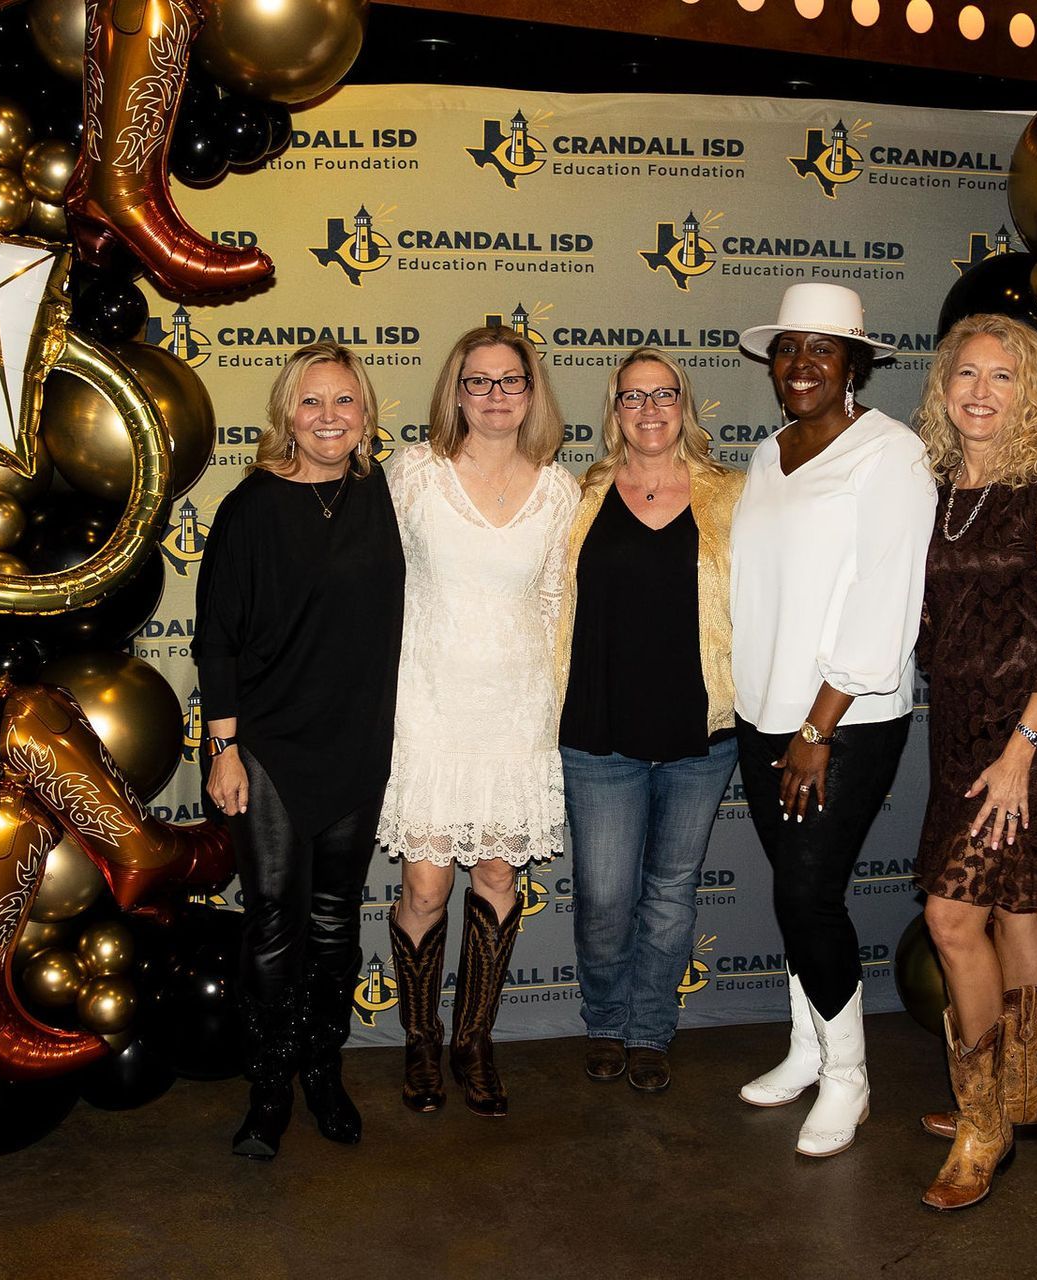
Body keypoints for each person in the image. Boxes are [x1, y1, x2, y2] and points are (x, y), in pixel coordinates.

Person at [729, 284, 938, 1157]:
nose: (801, 363)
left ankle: (848, 1077)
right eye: (788, 348)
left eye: (823, 348)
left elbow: (885, 598)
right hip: (762, 712)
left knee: (808, 894)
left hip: (841, 720)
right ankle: (808, 1049)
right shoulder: (766, 454)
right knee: (795, 891)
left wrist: (817, 729)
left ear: (855, 364)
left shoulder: (891, 454)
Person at [908, 313, 1037, 1211]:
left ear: (1031, 392)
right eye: (967, 374)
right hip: (957, 722)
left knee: (952, 918)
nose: (981, 392)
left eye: (1002, 376)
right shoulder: (941, 483)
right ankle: (1023, 1092)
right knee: (1019, 903)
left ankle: (983, 1122)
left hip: (1026, 728)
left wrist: (1025, 750)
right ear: (944, 388)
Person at [193, 342, 404, 1160]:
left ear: (365, 412)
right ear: (287, 412)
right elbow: (216, 637)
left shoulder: (380, 492)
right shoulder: (250, 506)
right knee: (276, 919)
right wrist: (223, 747)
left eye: (344, 401)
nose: (328, 417)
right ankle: (270, 1085)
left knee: (334, 918)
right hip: (268, 745)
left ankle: (323, 1069)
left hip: (356, 739)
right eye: (311, 401)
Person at [378, 325, 579, 1118]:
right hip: (427, 702)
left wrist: (553, 706)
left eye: (511, 380)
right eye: (479, 381)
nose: (496, 395)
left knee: (498, 876)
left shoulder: (559, 490)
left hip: (516, 709)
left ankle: (474, 1041)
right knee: (424, 884)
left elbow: (555, 600)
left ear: (532, 392)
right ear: (456, 393)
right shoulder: (414, 473)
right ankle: (419, 1039)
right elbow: (373, 578)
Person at [555, 349, 744, 1094]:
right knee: (605, 896)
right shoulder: (578, 495)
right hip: (597, 728)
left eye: (663, 394)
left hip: (702, 732)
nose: (649, 409)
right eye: (632, 397)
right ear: (614, 411)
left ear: (684, 404)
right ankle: (604, 1018)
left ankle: (649, 1030)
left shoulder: (733, 494)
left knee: (671, 891)